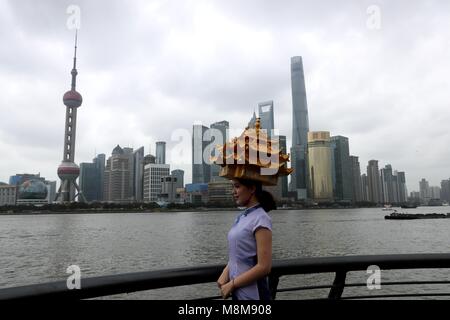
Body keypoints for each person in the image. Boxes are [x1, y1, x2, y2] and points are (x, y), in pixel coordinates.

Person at [217, 178, 276, 300]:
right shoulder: (243, 217)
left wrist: (232, 284)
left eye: (237, 187)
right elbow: (241, 253)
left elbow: (264, 267)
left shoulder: (261, 218)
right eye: (233, 187)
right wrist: (226, 271)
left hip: (254, 295)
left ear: (252, 189)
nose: (233, 191)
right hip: (239, 292)